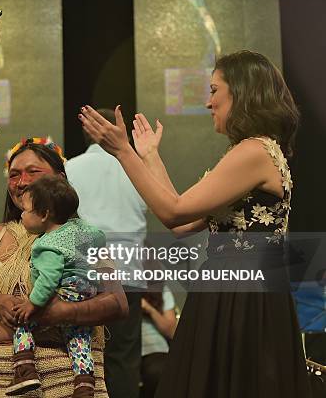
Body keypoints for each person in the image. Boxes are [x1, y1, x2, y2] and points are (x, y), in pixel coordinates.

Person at [79, 50, 311, 397]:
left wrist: (123, 152)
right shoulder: (255, 152)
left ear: (242, 92)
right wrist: (150, 156)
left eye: (215, 90)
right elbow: (181, 223)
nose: (208, 102)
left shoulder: (252, 152)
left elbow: (173, 211)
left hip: (241, 294)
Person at [0, 137, 128, 398]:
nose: (22, 182)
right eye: (14, 175)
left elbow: (118, 303)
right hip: (1, 380)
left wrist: (65, 311)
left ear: (59, 178)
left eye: (33, 172)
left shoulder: (82, 237)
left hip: (71, 377)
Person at [66, 108, 148, 398]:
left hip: (84, 274)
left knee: (82, 356)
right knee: (124, 360)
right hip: (128, 273)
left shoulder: (69, 169)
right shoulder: (138, 167)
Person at [8, 175, 106, 397]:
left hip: (65, 292)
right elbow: (100, 238)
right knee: (79, 338)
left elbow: (49, 278)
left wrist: (32, 304)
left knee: (23, 321)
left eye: (25, 210)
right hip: (86, 293)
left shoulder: (46, 244)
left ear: (44, 215)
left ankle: (25, 369)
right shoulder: (82, 229)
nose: (21, 215)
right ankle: (84, 384)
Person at [139, 283, 176, 398]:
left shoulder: (162, 289)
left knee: (161, 371)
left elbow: (172, 331)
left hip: (156, 351)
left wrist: (149, 309)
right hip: (127, 350)